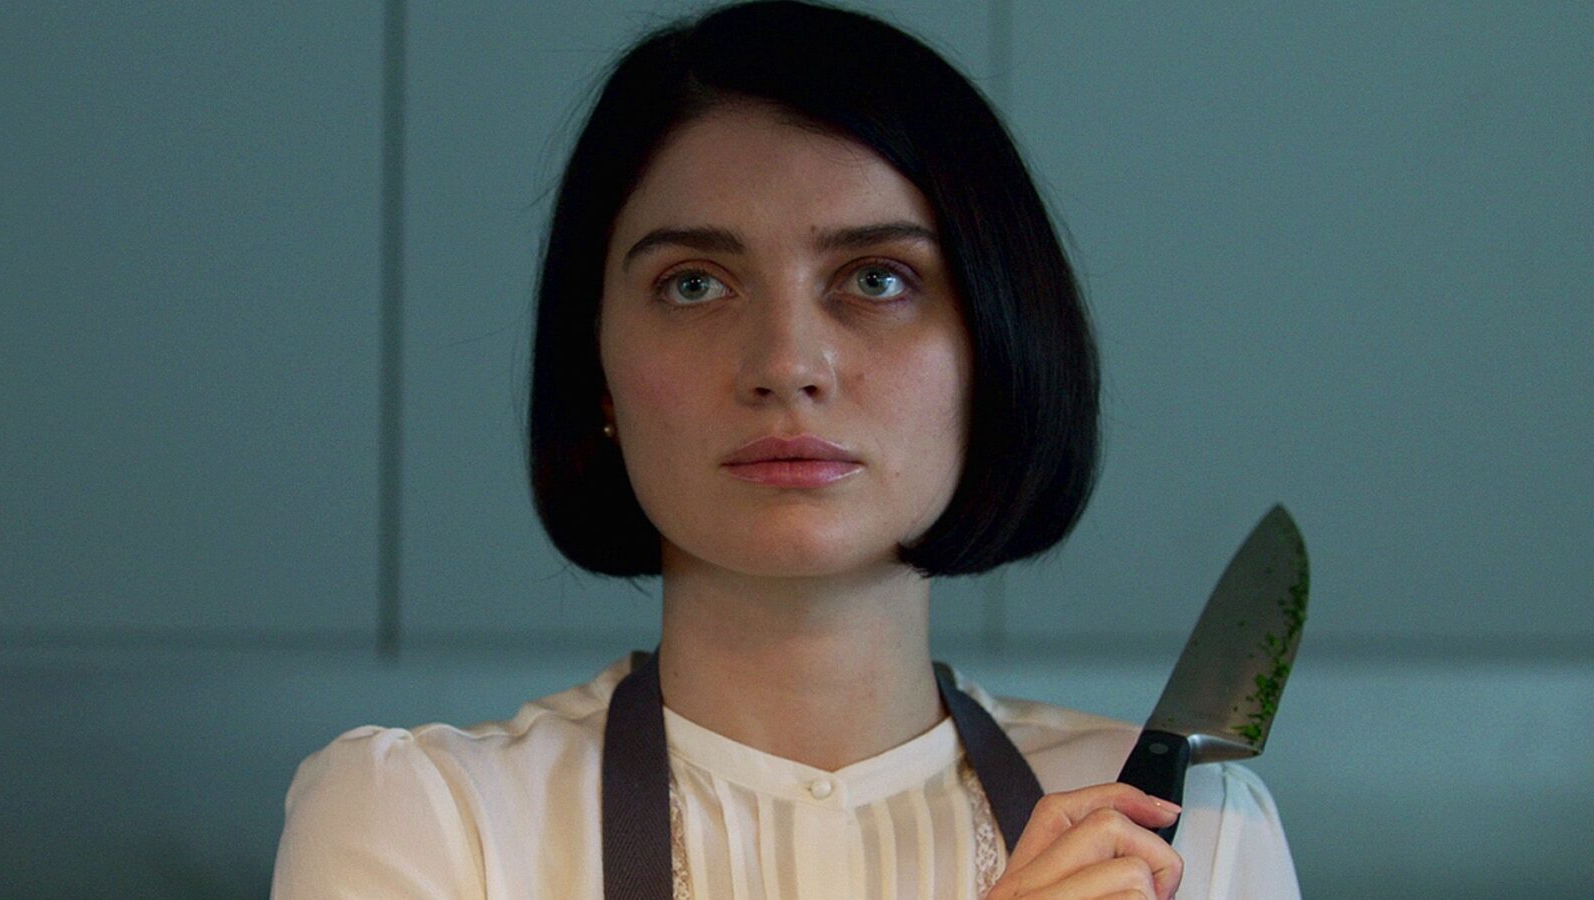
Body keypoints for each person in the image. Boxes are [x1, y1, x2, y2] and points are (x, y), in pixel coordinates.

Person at [271, 2, 1300, 897]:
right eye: (693, 285)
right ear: (597, 372)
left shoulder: (1178, 834)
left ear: (999, 349)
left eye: (877, 279)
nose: (785, 363)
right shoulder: (421, 818)